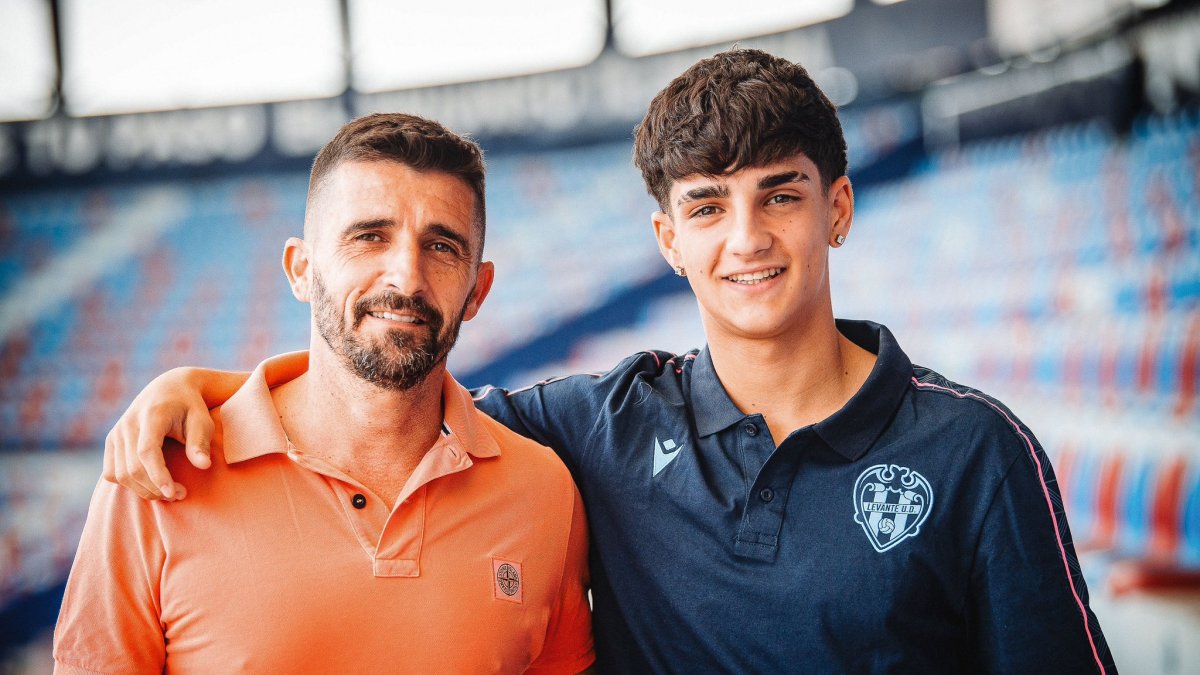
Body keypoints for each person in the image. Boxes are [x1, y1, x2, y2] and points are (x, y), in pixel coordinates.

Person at [102, 49, 1115, 673]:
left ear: (837, 209)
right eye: (708, 207)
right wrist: (199, 392)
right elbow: (382, 399)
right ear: (669, 241)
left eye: (782, 194)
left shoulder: (976, 450)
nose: (747, 238)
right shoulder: (599, 427)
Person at [54, 114, 595, 673]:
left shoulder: (545, 492)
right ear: (301, 270)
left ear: (477, 291)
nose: (406, 277)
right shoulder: (157, 477)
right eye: (370, 237)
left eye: (441, 246)